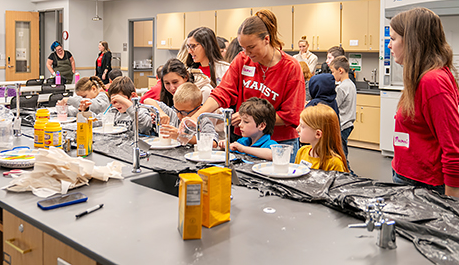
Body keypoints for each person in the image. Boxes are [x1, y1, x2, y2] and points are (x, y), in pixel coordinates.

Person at [192, 10, 305, 162]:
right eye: (242, 47)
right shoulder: (242, 60)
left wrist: (250, 118)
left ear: (266, 39)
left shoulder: (290, 67)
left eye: (251, 47)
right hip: (245, 139)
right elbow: (223, 92)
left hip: (280, 143)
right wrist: (195, 117)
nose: (246, 52)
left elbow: (291, 115)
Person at [389, 7, 459, 197]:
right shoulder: (421, 77)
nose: (389, 45)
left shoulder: (433, 81)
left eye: (393, 39)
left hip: (423, 185)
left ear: (412, 41)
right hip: (408, 175)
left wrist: (452, 204)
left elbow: (453, 147)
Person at [146, 82, 217, 145]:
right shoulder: (173, 113)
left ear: (198, 109)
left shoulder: (203, 122)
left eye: (184, 112)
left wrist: (181, 136)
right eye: (177, 110)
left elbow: (213, 143)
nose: (179, 115)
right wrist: (160, 112)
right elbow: (147, 100)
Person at [295, 104, 348, 172]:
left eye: (302, 126)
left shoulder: (334, 163)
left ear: (318, 134)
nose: (297, 129)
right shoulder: (302, 152)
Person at [330, 56, 357, 172]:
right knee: (342, 152)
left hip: (342, 125)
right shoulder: (350, 84)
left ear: (340, 70)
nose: (332, 75)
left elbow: (334, 106)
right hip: (348, 124)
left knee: (342, 156)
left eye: (333, 72)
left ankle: (350, 176)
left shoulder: (342, 87)